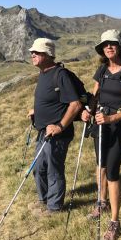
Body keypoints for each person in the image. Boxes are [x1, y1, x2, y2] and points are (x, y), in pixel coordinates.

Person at [81, 29, 121, 240]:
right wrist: (87, 110)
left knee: (113, 171)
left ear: (120, 47)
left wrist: (112, 119)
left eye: (112, 44)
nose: (108, 47)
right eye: (105, 45)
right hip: (101, 124)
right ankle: (102, 202)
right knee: (100, 165)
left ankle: (115, 221)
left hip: (119, 125)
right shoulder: (102, 70)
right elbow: (95, 96)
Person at [27, 38, 82, 215]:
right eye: (32, 52)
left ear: (48, 55)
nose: (32, 54)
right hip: (43, 131)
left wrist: (60, 126)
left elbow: (75, 104)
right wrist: (36, 111)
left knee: (53, 169)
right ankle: (44, 200)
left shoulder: (61, 75)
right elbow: (51, 100)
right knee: (38, 168)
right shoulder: (44, 73)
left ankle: (55, 207)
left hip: (57, 134)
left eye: (37, 52)